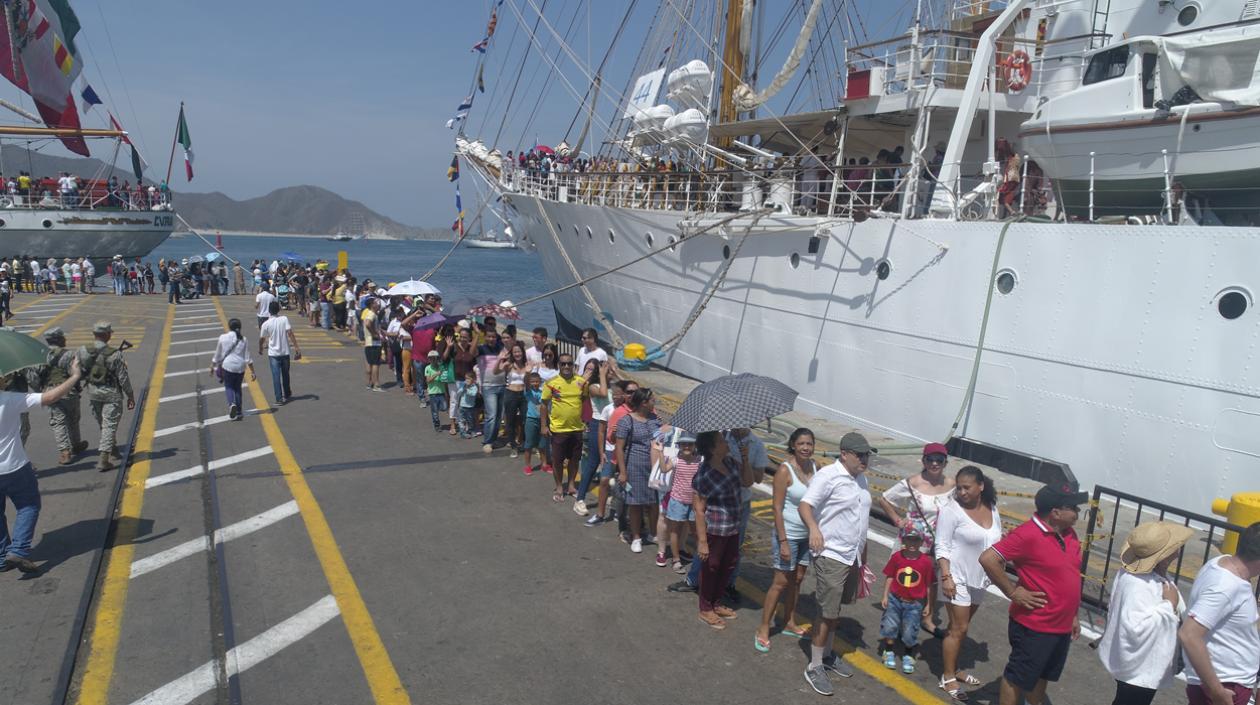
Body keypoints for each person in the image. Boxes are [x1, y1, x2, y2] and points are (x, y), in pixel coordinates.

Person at [980, 481, 1088, 705]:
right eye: (1072, 507)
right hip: (1035, 626)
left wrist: (1073, 615)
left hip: (1060, 625)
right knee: (1016, 677)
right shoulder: (1026, 535)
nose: (1078, 512)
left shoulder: (1070, 534)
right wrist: (1013, 592)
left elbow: (1071, 575)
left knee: (1043, 673)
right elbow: (989, 559)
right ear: (1056, 513)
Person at [799, 431, 876, 696]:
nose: (865, 459)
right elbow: (805, 505)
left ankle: (828, 654)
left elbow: (861, 519)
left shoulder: (861, 479)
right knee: (826, 611)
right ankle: (815, 665)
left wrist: (863, 553)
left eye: (867, 455)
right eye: (860, 455)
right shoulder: (828, 476)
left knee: (836, 609)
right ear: (844, 454)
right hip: (831, 553)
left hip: (851, 555)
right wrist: (814, 529)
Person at [0, 355, 84, 574]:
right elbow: (50, 397)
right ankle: (18, 550)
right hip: (15, 468)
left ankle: (1, 556)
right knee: (28, 506)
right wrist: (74, 376)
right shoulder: (9, 399)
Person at [1095, 521, 1194, 705]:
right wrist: (1169, 605)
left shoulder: (1148, 575)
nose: (1178, 549)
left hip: (1140, 664)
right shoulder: (1138, 584)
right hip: (1138, 667)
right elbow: (1134, 627)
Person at [935, 465, 1003, 701]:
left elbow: (996, 540)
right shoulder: (951, 511)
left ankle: (954, 668)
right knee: (959, 628)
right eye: (959, 488)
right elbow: (942, 545)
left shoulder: (992, 508)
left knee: (960, 627)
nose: (962, 492)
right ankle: (947, 677)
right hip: (956, 577)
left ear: (981, 486)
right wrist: (946, 577)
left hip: (980, 579)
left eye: (967, 487)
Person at [878, 442, 955, 637]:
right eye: (931, 459)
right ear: (924, 461)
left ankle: (927, 619)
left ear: (945, 462)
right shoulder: (913, 483)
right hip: (912, 541)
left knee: (932, 580)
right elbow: (884, 499)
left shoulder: (951, 485)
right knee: (905, 576)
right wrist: (898, 520)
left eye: (939, 460)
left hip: (937, 542)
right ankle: (895, 614)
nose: (935, 463)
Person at [1178, 522, 1260, 705]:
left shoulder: (1221, 563)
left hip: (1227, 681)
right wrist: (1217, 691)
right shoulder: (1226, 587)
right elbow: (1189, 634)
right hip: (1225, 685)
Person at [755, 427, 817, 652]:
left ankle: (789, 620)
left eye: (809, 444)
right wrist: (782, 542)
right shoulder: (784, 470)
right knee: (780, 582)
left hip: (806, 536)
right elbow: (777, 508)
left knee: (797, 580)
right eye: (801, 444)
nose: (805, 448)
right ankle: (763, 628)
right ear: (793, 445)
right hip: (788, 535)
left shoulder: (815, 467)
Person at [692, 430, 753, 629]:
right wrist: (702, 542)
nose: (726, 442)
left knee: (728, 565)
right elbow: (699, 509)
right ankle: (705, 608)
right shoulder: (704, 474)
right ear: (712, 448)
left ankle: (716, 603)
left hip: (733, 527)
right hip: (715, 530)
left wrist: (745, 458)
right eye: (721, 440)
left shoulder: (730, 462)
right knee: (711, 567)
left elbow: (748, 481)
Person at [76, 321, 134, 471]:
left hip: (93, 393)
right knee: (109, 425)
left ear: (94, 334)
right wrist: (130, 395)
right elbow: (123, 378)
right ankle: (103, 459)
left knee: (104, 424)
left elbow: (77, 371)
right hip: (111, 394)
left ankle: (113, 450)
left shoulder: (82, 350)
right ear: (107, 335)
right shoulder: (115, 354)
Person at [879, 528, 934, 674]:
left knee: (910, 630)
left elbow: (929, 585)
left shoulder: (926, 562)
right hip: (895, 599)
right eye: (909, 540)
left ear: (921, 542)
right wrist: (885, 595)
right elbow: (890, 576)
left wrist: (928, 604)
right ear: (903, 541)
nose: (912, 543)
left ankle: (908, 655)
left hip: (915, 603)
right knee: (890, 626)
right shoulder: (897, 557)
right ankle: (888, 651)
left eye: (916, 540)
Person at [614, 387, 662, 552]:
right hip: (634, 468)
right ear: (643, 403)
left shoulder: (655, 419)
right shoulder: (626, 421)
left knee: (654, 502)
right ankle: (636, 537)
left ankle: (653, 533)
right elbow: (619, 448)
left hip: (654, 468)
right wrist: (623, 472)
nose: (655, 402)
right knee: (635, 504)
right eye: (652, 400)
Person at [585, 379, 636, 527]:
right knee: (604, 480)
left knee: (625, 483)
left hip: (626, 451)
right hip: (610, 450)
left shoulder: (633, 411)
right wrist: (602, 452)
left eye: (619, 394)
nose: (615, 397)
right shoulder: (608, 409)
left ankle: (621, 512)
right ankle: (600, 514)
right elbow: (601, 431)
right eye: (613, 394)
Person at [541, 351, 587, 503]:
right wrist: (543, 425)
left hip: (577, 429)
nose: (566, 366)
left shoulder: (581, 382)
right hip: (558, 430)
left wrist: (585, 421)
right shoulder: (551, 383)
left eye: (569, 363)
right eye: (563, 364)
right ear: (559, 365)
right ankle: (559, 487)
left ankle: (572, 485)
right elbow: (544, 404)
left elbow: (584, 401)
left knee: (574, 460)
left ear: (573, 365)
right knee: (558, 461)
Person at [37, 328, 87, 465]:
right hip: (69, 391)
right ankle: (76, 444)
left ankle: (65, 452)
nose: (65, 339)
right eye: (62, 337)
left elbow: (36, 376)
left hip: (51, 392)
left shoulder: (42, 355)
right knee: (73, 418)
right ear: (58, 339)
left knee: (58, 422)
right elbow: (79, 372)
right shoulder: (70, 354)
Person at [660, 431, 698, 572]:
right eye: (683, 444)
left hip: (694, 502)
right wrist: (660, 452)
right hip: (677, 501)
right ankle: (676, 559)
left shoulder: (700, 461)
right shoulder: (676, 460)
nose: (686, 447)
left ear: (695, 446)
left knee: (696, 531)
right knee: (674, 530)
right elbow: (664, 469)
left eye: (690, 444)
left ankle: (700, 557)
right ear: (679, 446)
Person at [212, 318, 256, 420]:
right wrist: (253, 372)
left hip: (227, 366)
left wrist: (212, 365)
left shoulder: (223, 337)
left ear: (229, 327)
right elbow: (248, 358)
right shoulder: (244, 339)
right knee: (237, 388)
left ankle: (232, 404)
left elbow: (218, 354)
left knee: (229, 387)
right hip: (240, 367)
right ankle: (239, 411)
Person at [258, 300, 300, 405]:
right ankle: (287, 393)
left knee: (276, 376)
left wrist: (260, 348)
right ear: (279, 309)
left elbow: (262, 338)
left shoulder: (266, 324)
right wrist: (296, 347)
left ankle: (279, 398)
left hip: (273, 354)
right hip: (285, 352)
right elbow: (290, 333)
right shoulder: (284, 319)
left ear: (269, 311)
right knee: (286, 374)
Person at [497, 341, 531, 459]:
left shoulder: (527, 364)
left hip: (523, 394)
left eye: (519, 351)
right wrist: (499, 360)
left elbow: (527, 383)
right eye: (515, 352)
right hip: (510, 393)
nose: (517, 354)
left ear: (523, 352)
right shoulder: (509, 365)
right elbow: (496, 371)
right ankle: (513, 446)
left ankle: (525, 443)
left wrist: (528, 373)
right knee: (510, 421)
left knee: (526, 420)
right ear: (512, 353)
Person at [476, 329, 506, 452]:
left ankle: (493, 439)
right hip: (488, 386)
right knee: (491, 415)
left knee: (499, 416)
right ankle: (487, 442)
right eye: (489, 336)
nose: (491, 339)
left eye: (493, 337)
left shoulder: (501, 348)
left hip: (502, 385)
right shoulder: (481, 349)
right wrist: (477, 335)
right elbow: (472, 352)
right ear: (485, 337)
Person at [520, 372, 546, 474]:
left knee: (542, 444)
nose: (535, 383)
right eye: (533, 381)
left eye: (537, 381)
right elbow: (526, 382)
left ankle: (544, 464)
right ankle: (527, 466)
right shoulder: (528, 392)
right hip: (531, 420)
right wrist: (527, 373)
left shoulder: (542, 392)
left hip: (542, 420)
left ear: (540, 382)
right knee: (529, 444)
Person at [361, 297, 383, 391]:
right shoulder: (372, 314)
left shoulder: (370, 314)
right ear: (372, 305)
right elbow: (368, 324)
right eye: (376, 303)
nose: (378, 304)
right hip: (374, 343)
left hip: (368, 343)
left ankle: (369, 383)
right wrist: (374, 334)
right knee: (375, 364)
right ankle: (376, 384)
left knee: (369, 363)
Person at [423, 351, 448, 431]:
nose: (433, 360)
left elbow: (445, 378)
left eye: (435, 358)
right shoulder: (428, 368)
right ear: (429, 359)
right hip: (433, 393)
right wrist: (437, 374)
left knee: (444, 407)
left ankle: (437, 407)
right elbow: (428, 380)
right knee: (434, 412)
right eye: (431, 359)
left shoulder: (441, 367)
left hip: (441, 391)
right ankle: (437, 425)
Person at [456, 371, 479, 438]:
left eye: (468, 378)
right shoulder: (463, 385)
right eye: (466, 378)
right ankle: (463, 433)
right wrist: (462, 388)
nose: (467, 380)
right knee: (461, 420)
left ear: (473, 379)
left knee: (470, 420)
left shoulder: (474, 387)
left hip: (470, 407)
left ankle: (471, 431)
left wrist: (467, 389)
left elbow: (473, 394)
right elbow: (458, 392)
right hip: (462, 406)